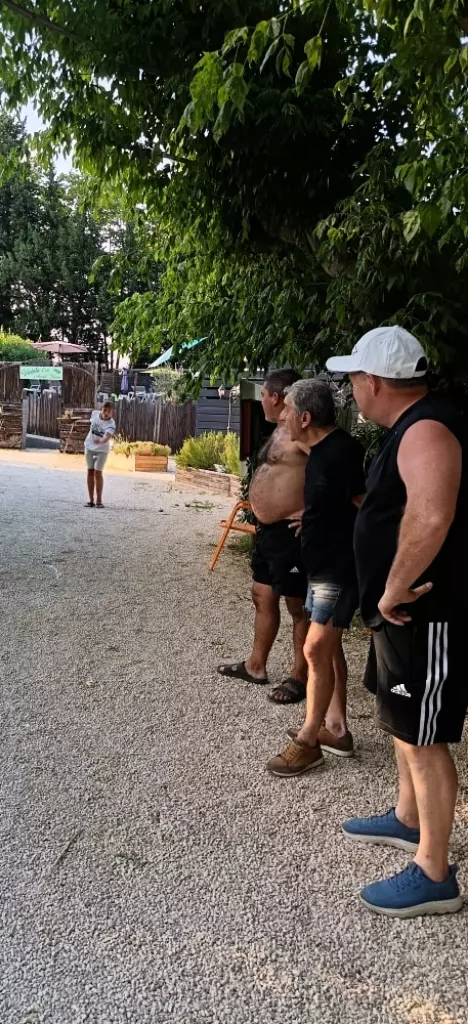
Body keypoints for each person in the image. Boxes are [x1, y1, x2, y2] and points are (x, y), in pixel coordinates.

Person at [323, 326, 466, 918]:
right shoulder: (409, 427)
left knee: (423, 735)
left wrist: (396, 585)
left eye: (354, 378)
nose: (352, 389)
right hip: (399, 612)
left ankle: (434, 873)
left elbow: (432, 515)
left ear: (374, 381)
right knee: (402, 721)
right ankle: (408, 819)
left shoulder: (427, 428)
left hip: (425, 610)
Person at [266, 379, 366, 777]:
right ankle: (337, 729)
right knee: (329, 650)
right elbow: (337, 501)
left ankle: (308, 741)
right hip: (320, 566)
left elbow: (366, 509)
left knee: (314, 649)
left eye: (288, 409)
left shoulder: (342, 451)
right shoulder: (321, 450)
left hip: (338, 569)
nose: (283, 415)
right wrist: (313, 516)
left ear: (305, 418)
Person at [217, 369, 310, 704]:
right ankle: (256, 665)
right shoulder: (280, 430)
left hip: (291, 533)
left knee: (298, 605)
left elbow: (333, 471)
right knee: (262, 594)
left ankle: (300, 676)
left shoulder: (304, 432)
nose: (262, 403)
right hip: (268, 531)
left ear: (275, 397)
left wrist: (314, 512)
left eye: (263, 397)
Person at [84, 399, 116, 507]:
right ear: (101, 409)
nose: (106, 413)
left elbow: (107, 436)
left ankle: (99, 500)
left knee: (98, 472)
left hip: (102, 449)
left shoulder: (111, 424)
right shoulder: (94, 414)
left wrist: (101, 441)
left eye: (109, 411)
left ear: (112, 412)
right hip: (89, 446)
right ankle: (91, 500)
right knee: (90, 471)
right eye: (104, 410)